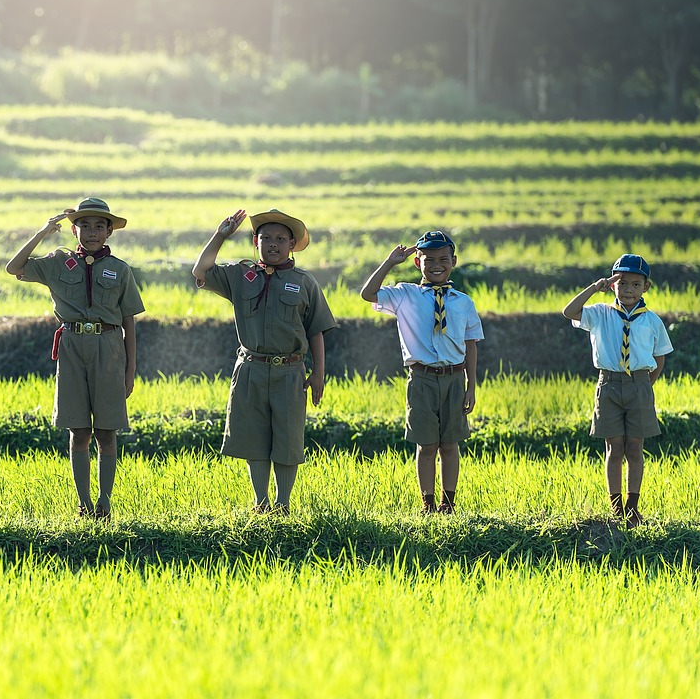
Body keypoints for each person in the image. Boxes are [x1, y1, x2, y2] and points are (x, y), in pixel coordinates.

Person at [6, 197, 144, 520]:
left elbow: (129, 323)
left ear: (109, 231)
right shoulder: (58, 262)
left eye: (99, 226)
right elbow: (14, 268)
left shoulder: (120, 270)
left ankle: (104, 503)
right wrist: (43, 231)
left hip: (109, 348)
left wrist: (130, 369)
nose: (91, 232)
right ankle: (83, 504)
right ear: (73, 229)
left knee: (106, 432)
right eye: (84, 225)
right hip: (70, 346)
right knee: (78, 431)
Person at [191, 209, 336, 515]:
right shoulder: (241, 276)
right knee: (253, 437)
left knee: (287, 439)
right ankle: (261, 502)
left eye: (280, 239)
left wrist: (319, 372)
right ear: (255, 242)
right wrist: (221, 234)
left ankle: (283, 504)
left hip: (290, 371)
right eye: (265, 238)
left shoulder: (304, 282)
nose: (273, 243)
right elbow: (201, 271)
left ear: (292, 244)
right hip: (251, 368)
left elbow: (316, 329)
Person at [360, 231, 482, 515]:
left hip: (453, 378)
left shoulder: (462, 302)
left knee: (450, 445)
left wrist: (471, 385)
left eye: (443, 259)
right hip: (422, 379)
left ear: (453, 261)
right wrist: (390, 262)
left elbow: (471, 345)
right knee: (426, 445)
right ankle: (427, 503)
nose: (436, 265)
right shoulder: (405, 295)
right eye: (429, 260)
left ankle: (448, 504)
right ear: (418, 262)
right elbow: (368, 294)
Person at [563, 254, 672, 528]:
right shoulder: (600, 313)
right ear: (613, 284)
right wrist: (594, 287)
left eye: (636, 284)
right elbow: (569, 312)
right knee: (613, 447)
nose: (628, 290)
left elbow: (660, 357)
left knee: (635, 447)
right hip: (609, 384)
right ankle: (616, 507)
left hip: (639, 385)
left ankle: (632, 507)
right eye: (622, 283)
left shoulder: (652, 321)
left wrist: (647, 384)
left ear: (646, 287)